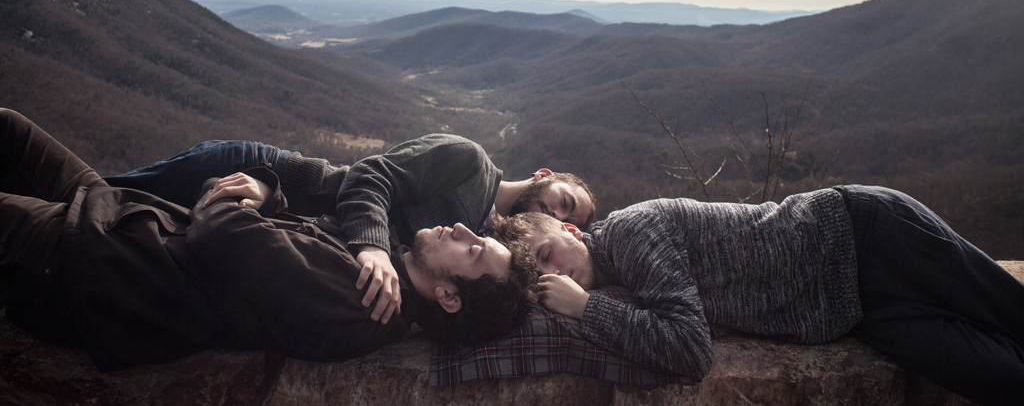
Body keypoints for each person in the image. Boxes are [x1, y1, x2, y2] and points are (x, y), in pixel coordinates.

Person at [0, 109, 538, 371]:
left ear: (448, 296)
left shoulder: (365, 299)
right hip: (123, 222)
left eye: (472, 250)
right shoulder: (382, 267)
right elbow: (344, 189)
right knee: (10, 130)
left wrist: (239, 194)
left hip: (94, 262)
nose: (468, 228)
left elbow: (222, 234)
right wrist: (267, 190)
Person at [508, 187, 1024, 406]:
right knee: (998, 377)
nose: (553, 271)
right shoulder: (619, 278)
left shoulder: (629, 233)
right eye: (541, 274)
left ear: (572, 231)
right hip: (853, 309)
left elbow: (690, 350)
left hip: (866, 234)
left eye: (548, 251)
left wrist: (586, 307)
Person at [104, 134, 595, 324]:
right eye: (566, 202)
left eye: (573, 221)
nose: (563, 215)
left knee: (108, 217)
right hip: (255, 171)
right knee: (98, 195)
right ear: (543, 176)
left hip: (268, 211)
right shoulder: (470, 164)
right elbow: (368, 174)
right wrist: (373, 247)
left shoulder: (483, 254)